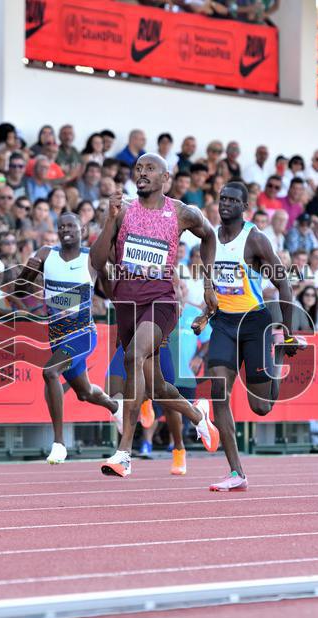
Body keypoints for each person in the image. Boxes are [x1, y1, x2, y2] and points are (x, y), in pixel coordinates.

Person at [89, 153, 219, 478]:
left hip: (160, 301)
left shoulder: (180, 212)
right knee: (158, 388)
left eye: (150, 169)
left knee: (134, 357)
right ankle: (198, 415)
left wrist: (209, 285)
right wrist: (109, 220)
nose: (142, 173)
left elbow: (210, 236)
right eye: (138, 168)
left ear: (166, 178)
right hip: (126, 304)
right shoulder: (124, 211)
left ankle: (124, 453)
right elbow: (96, 260)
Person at [199, 182, 303, 491]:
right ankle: (236, 472)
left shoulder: (255, 239)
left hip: (255, 323)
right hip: (223, 324)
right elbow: (211, 285)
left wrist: (286, 333)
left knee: (261, 408)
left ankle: (279, 357)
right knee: (218, 391)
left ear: (245, 207)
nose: (226, 204)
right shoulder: (209, 238)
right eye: (222, 199)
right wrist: (206, 315)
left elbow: (284, 285)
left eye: (233, 200)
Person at [7, 213, 119, 464]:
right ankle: (116, 408)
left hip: (82, 333)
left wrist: (108, 268)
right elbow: (19, 290)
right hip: (56, 336)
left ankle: (58, 443)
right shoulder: (46, 254)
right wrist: (33, 278)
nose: (66, 230)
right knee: (85, 392)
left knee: (49, 372)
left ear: (82, 229)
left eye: (71, 226)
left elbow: (112, 292)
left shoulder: (91, 256)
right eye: (61, 226)